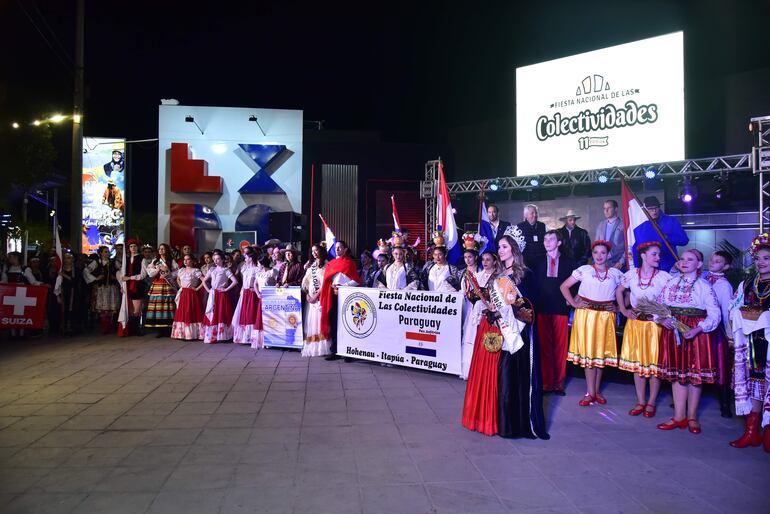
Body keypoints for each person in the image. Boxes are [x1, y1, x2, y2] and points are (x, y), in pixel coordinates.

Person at [462, 230, 549, 439]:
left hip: (519, 335)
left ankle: (519, 424)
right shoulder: (498, 276)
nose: (500, 251)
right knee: (504, 379)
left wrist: (508, 310)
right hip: (504, 332)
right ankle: (504, 424)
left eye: (504, 247)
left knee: (518, 379)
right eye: (499, 247)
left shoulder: (525, 275)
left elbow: (529, 309)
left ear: (514, 250)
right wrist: (492, 309)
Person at [654, 249, 720, 434]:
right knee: (677, 374)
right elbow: (658, 307)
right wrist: (661, 319)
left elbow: (715, 314)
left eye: (690, 259)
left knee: (694, 375)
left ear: (699, 264)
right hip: (673, 330)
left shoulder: (704, 286)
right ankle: (679, 416)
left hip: (695, 332)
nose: (684, 262)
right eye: (682, 259)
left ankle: (692, 417)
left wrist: (698, 329)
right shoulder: (671, 282)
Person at [560, 240, 623, 406]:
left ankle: (597, 391)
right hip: (586, 315)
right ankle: (590, 392)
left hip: (605, 316)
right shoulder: (584, 270)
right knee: (589, 354)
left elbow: (626, 292)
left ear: (608, 254)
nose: (599, 256)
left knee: (600, 354)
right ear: (592, 254)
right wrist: (574, 304)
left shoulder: (616, 274)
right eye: (596, 253)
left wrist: (618, 307)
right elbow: (564, 286)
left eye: (603, 252)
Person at [615, 241, 671, 417]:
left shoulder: (664, 276)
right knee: (638, 365)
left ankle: (651, 403)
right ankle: (640, 401)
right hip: (636, 325)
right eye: (654, 254)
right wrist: (624, 310)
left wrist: (664, 316)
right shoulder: (631, 274)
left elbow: (670, 300)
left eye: (658, 254)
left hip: (655, 327)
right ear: (643, 256)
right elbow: (619, 291)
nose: (658, 257)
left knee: (654, 366)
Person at [730, 234, 770, 451]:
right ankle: (752, 432)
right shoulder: (747, 284)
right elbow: (734, 308)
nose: (761, 262)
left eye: (766, 258)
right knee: (755, 385)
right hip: (752, 343)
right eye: (758, 258)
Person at [533, 230, 575, 395]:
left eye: (551, 239)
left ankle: (558, 383)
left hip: (560, 309)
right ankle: (545, 383)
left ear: (559, 243)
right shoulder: (537, 262)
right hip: (542, 309)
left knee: (560, 347)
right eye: (544, 239)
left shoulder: (569, 262)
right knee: (544, 347)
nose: (546, 241)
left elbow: (576, 284)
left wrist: (572, 300)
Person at [703, 251, 735, 417]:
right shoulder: (703, 278)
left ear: (726, 266)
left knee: (721, 365)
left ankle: (725, 404)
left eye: (717, 261)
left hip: (717, 331)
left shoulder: (723, 285)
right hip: (702, 328)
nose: (712, 262)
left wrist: (729, 336)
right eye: (711, 260)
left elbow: (726, 311)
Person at [320, 240, 361, 361]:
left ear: (345, 249)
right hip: (333, 295)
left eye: (339, 247)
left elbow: (357, 281)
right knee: (334, 323)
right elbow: (327, 280)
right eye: (336, 248)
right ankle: (335, 351)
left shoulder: (350, 263)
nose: (337, 249)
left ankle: (349, 352)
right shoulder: (331, 264)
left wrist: (344, 287)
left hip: (346, 296)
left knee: (347, 323)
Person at [460, 249, 497, 380]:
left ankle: (484, 372)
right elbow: (470, 294)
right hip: (475, 311)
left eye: (488, 259)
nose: (485, 262)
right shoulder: (478, 275)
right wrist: (473, 295)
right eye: (483, 259)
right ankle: (470, 370)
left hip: (489, 314)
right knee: (471, 337)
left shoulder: (498, 277)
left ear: (494, 261)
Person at [632, 196, 689, 273]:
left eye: (656, 208)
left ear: (659, 207)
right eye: (650, 209)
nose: (654, 211)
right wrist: (637, 268)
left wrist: (667, 237)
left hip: (670, 265)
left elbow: (684, 240)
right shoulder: (640, 227)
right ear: (645, 210)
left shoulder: (671, 221)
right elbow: (636, 249)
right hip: (648, 268)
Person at [202, 249, 239, 343]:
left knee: (222, 313)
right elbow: (204, 281)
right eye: (214, 259)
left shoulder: (225, 270)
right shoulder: (211, 269)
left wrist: (226, 289)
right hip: (213, 293)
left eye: (218, 259)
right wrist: (209, 290)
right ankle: (213, 335)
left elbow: (235, 281)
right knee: (213, 313)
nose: (215, 260)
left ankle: (223, 335)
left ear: (222, 259)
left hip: (222, 295)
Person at [301, 243, 330, 357]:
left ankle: (322, 347)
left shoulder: (327, 265)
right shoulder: (311, 266)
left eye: (316, 250)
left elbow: (325, 284)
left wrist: (316, 296)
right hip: (311, 300)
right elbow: (305, 282)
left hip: (321, 299)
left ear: (321, 251)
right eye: (312, 251)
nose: (314, 253)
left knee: (320, 322)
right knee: (312, 323)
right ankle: (313, 346)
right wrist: (307, 294)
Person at [84, 246, 120, 334]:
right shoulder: (96, 262)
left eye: (108, 252)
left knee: (112, 307)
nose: (107, 253)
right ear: (100, 253)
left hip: (111, 287)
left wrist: (116, 277)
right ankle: (105, 327)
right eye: (105, 252)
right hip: (101, 288)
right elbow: (86, 271)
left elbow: (121, 269)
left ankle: (111, 326)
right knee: (103, 309)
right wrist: (95, 278)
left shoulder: (113, 262)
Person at [232, 246, 264, 347]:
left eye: (246, 257)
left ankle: (252, 336)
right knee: (244, 314)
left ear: (250, 258)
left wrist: (254, 289)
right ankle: (244, 336)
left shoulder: (256, 269)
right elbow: (242, 280)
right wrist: (242, 290)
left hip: (252, 293)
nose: (244, 259)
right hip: (244, 293)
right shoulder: (244, 268)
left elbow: (258, 282)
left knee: (251, 314)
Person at [145, 243, 178, 337]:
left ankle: (168, 328)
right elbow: (150, 273)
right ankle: (159, 330)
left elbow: (177, 271)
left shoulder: (171, 260)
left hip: (168, 285)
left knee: (168, 306)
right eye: (160, 249)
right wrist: (157, 270)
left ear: (166, 250)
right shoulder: (155, 261)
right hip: (158, 285)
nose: (161, 250)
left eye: (163, 249)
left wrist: (168, 273)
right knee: (158, 307)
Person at [171, 254, 205, 341]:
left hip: (191, 294)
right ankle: (182, 334)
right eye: (184, 259)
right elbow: (178, 279)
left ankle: (193, 334)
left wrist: (197, 288)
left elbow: (204, 280)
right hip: (183, 293)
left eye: (188, 259)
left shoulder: (195, 271)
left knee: (191, 311)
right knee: (182, 312)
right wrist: (181, 286)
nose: (185, 261)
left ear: (192, 261)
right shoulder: (181, 270)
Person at [117, 239, 147, 337]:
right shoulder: (126, 260)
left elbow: (143, 275)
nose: (133, 248)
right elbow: (122, 274)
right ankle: (132, 328)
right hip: (128, 286)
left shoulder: (142, 259)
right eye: (131, 247)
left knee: (137, 309)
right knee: (129, 309)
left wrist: (130, 278)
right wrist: (122, 285)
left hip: (137, 285)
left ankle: (137, 328)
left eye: (134, 246)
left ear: (137, 247)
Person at [54, 253, 80, 335]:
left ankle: (72, 327)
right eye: (66, 258)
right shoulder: (60, 270)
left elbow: (75, 281)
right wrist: (58, 296)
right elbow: (57, 284)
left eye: (69, 258)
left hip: (73, 293)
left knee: (73, 310)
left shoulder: (76, 270)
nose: (68, 260)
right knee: (63, 310)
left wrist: (64, 275)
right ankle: (63, 327)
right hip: (64, 293)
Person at [595, 200, 625, 270]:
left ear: (616, 209)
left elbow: (628, 245)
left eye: (609, 208)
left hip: (618, 264)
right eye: (604, 208)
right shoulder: (600, 225)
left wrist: (621, 262)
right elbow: (596, 245)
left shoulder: (623, 224)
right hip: (603, 264)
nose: (606, 210)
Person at [517, 204, 547, 268]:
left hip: (541, 259)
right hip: (526, 261)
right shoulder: (519, 227)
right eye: (532, 213)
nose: (535, 215)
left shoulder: (542, 225)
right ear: (526, 215)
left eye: (536, 213)